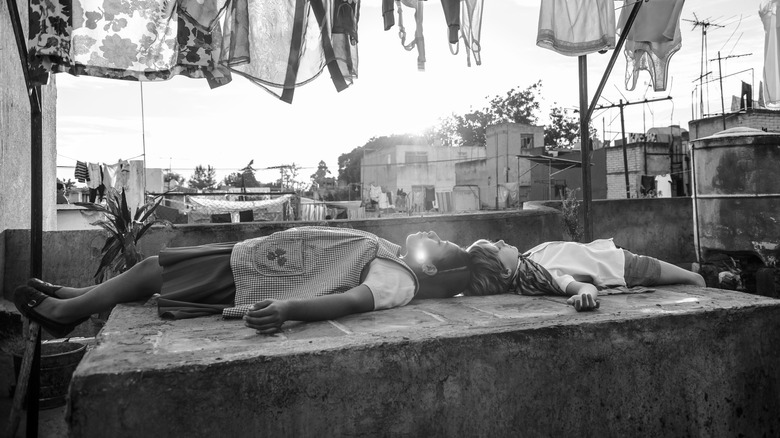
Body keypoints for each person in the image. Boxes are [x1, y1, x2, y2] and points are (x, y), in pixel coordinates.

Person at [15, 227, 471, 338]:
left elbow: (352, 300)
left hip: (254, 277)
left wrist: (288, 310)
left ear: (429, 269)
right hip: (254, 260)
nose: (432, 235)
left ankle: (66, 313)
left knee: (155, 269)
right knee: (151, 269)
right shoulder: (392, 254)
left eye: (440, 245)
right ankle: (78, 297)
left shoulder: (399, 279)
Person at [466, 238, 706, 311]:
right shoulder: (538, 275)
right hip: (623, 267)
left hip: (615, 258)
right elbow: (577, 286)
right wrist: (585, 296)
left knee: (690, 279)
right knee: (693, 279)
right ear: (506, 271)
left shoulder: (525, 264)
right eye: (496, 249)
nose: (500, 241)